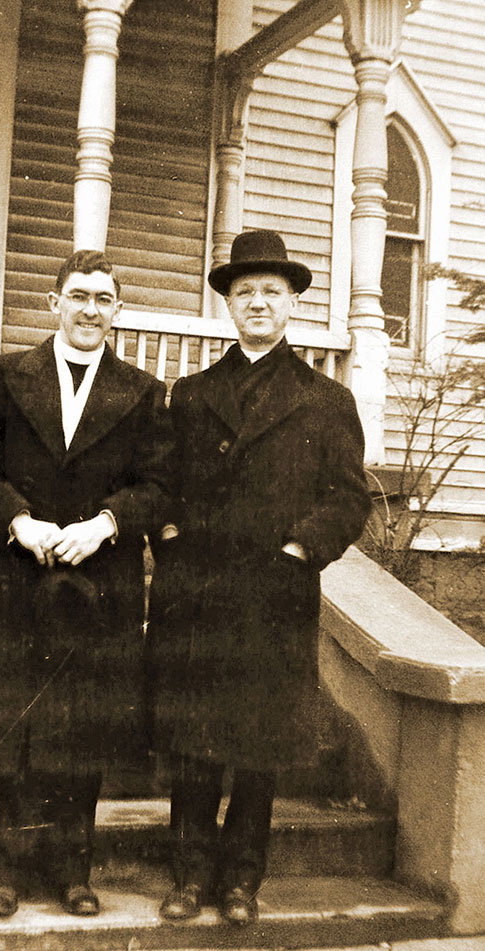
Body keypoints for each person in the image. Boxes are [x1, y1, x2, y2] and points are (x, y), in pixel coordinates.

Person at [0, 250, 174, 919]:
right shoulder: (2, 377)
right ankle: (5, 869)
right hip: (11, 572)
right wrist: (18, 521)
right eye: (79, 295)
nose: (91, 308)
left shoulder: (145, 392)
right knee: (15, 723)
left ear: (116, 311)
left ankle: (72, 870)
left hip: (97, 581)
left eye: (104, 298)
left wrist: (108, 523)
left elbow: (157, 484)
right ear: (53, 302)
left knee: (83, 727)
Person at [146, 230, 371, 926]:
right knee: (191, 741)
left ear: (292, 302)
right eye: (244, 292)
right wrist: (172, 539)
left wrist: (300, 550)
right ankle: (188, 875)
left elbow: (347, 495)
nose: (257, 303)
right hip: (198, 595)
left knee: (258, 745)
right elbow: (159, 483)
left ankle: (241, 879)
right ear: (226, 305)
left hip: (274, 592)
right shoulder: (188, 394)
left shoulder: (325, 399)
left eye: (270, 291)